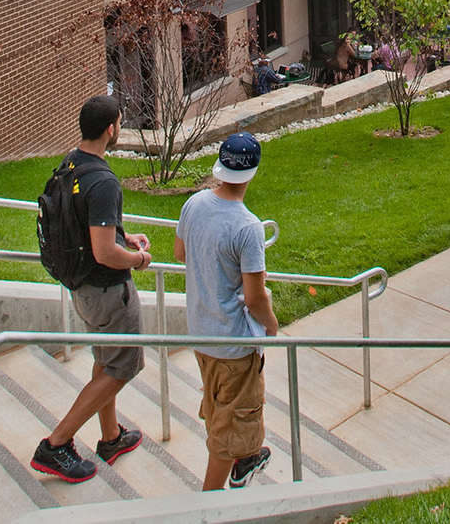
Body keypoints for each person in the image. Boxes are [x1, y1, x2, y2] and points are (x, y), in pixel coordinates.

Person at [30, 95, 150, 484]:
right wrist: (137, 260)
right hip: (107, 292)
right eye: (119, 122)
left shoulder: (72, 164)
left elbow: (86, 226)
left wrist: (122, 234)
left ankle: (111, 437)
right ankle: (56, 444)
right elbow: (103, 253)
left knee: (105, 359)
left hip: (81, 287)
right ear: (111, 129)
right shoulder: (103, 182)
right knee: (123, 366)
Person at [175, 132, 280, 491]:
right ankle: (208, 502)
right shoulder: (248, 228)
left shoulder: (194, 204)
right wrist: (272, 325)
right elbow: (254, 298)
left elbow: (180, 253)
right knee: (230, 424)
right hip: (234, 343)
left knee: (221, 408)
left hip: (201, 333)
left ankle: (246, 459)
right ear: (252, 173)